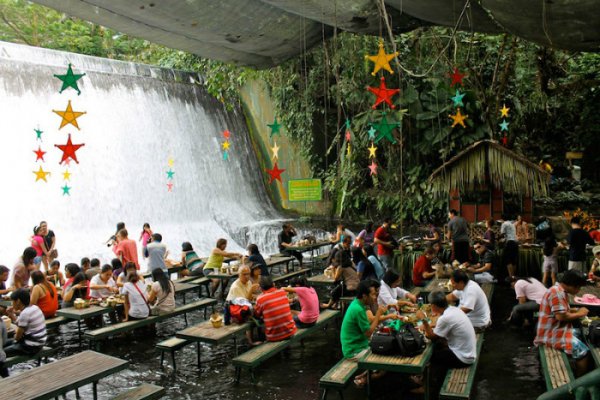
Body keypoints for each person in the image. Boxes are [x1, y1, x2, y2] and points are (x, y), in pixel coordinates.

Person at [416, 290, 477, 392]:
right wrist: (430, 325)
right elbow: (444, 325)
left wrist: (423, 320)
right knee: (438, 345)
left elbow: (431, 336)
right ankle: (423, 378)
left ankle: (427, 386)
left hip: (464, 358)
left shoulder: (445, 318)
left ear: (434, 305)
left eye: (431, 305)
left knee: (431, 355)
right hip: (468, 351)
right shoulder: (453, 309)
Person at [535, 269, 591, 377]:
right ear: (572, 285)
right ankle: (580, 381)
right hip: (551, 334)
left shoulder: (558, 289)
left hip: (555, 328)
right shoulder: (557, 293)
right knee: (584, 352)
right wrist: (580, 313)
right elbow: (561, 316)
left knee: (579, 332)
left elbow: (561, 311)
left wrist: (575, 311)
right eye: (579, 287)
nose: (579, 290)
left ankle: (574, 362)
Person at [340, 280, 386, 387]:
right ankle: (365, 379)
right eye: (373, 294)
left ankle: (365, 375)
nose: (375, 297)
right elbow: (368, 333)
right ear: (365, 296)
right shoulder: (358, 309)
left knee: (383, 348)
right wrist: (378, 314)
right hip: (353, 350)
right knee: (384, 362)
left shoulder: (358, 304)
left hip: (359, 344)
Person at [3, 289, 47, 357]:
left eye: (12, 301)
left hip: (31, 346)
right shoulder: (35, 307)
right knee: (4, 343)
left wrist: (15, 338)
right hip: (40, 342)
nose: (12, 304)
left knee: (3, 352)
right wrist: (11, 314)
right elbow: (21, 323)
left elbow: (18, 336)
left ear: (18, 301)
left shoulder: (25, 313)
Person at [254, 276, 297, 341]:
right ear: (273, 284)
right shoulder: (282, 292)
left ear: (261, 288)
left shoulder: (260, 299)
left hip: (274, 336)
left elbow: (257, 315)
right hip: (290, 332)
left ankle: (259, 344)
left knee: (260, 328)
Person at [500, 213, 519, 278]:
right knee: (513, 261)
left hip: (510, 243)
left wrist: (498, 238)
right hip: (515, 243)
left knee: (508, 260)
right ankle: (514, 277)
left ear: (502, 219)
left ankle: (511, 277)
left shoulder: (504, 224)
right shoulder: (512, 224)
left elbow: (502, 234)